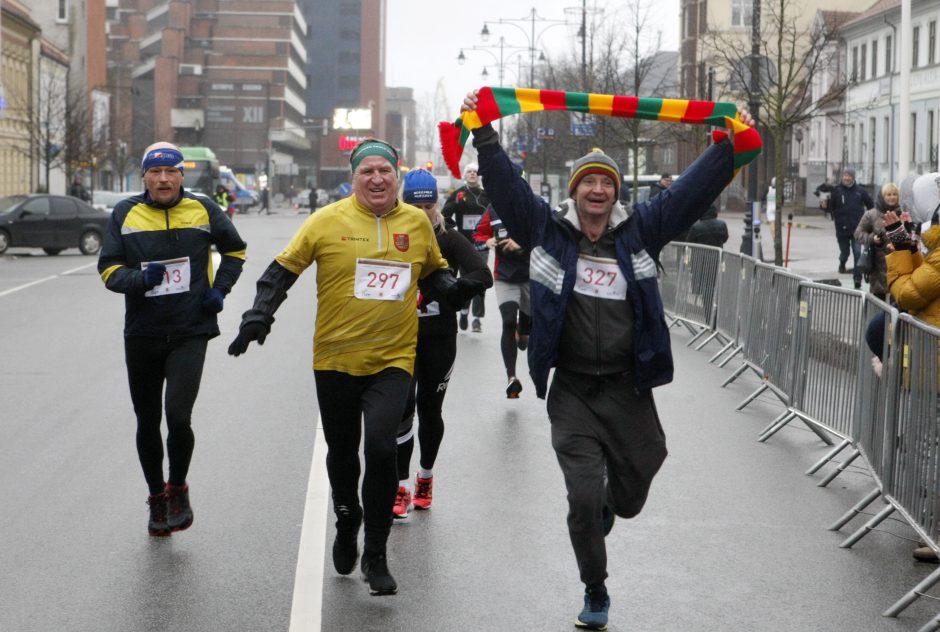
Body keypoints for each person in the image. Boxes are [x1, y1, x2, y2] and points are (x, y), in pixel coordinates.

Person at [460, 89, 754, 631]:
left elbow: (689, 194)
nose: (597, 188)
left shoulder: (639, 230)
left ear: (614, 193)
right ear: (576, 191)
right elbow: (506, 186)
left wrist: (727, 145)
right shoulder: (547, 231)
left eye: (606, 182)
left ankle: (608, 509)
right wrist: (483, 132)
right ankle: (595, 588)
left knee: (638, 482)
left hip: (627, 388)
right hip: (572, 391)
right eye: (588, 181)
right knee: (581, 496)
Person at [226, 138, 485, 596]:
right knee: (343, 456)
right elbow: (282, 270)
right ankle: (348, 521)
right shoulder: (326, 222)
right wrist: (258, 316)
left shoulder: (416, 225)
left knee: (383, 450)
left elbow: (434, 273)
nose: (377, 178)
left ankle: (377, 554)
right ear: (354, 177)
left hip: (393, 360)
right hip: (336, 360)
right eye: (368, 171)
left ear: (397, 177)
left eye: (385, 171)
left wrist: (459, 290)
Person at [97, 141, 247, 537]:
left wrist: (220, 291)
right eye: (155, 172)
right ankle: (156, 499)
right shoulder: (125, 213)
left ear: (182, 175)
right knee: (147, 420)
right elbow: (108, 269)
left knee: (178, 417)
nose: (163, 179)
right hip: (143, 333)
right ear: (144, 176)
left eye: (171, 172)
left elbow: (236, 252)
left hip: (189, 331)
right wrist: (137, 280)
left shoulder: (202, 210)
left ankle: (177, 486)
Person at [392, 169, 493, 519]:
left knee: (429, 410)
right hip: (400, 338)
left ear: (437, 204)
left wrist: (455, 292)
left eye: (429, 206)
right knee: (401, 411)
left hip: (438, 338)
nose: (423, 215)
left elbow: (483, 274)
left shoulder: (448, 239)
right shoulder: (392, 235)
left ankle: (425, 477)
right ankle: (400, 486)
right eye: (414, 207)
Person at [885, 195, 940, 563]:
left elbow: (908, 294)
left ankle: (934, 531)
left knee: (926, 443)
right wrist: (909, 248)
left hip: (932, 365)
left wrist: (900, 252)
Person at [474, 204, 531, 398]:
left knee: (525, 336)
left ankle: (522, 332)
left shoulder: (532, 205)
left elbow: (547, 236)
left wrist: (523, 244)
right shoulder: (493, 210)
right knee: (507, 322)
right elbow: (477, 237)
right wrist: (487, 241)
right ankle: (511, 378)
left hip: (531, 275)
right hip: (504, 276)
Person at [442, 162, 490, 332]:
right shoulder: (459, 193)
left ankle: (477, 319)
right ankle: (463, 312)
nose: (472, 174)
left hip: (482, 243)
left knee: (480, 281)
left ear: (479, 175)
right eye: (469, 171)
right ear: (465, 174)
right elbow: (444, 214)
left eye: (475, 172)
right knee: (466, 280)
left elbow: (497, 215)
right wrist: (450, 229)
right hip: (464, 244)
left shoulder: (486, 195)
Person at [830, 167, 874, 289]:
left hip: (857, 229)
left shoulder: (860, 191)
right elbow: (831, 206)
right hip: (842, 229)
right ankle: (842, 262)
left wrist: (870, 220)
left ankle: (857, 278)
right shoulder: (837, 191)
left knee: (857, 253)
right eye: (845, 175)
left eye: (849, 176)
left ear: (853, 178)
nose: (846, 178)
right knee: (845, 252)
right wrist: (835, 217)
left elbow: (871, 206)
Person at [854, 182, 899, 301]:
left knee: (897, 304)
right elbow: (858, 233)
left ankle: (893, 321)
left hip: (898, 266)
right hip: (878, 267)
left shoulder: (902, 213)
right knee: (879, 305)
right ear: (882, 197)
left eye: (894, 194)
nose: (892, 197)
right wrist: (871, 238)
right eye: (888, 194)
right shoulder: (871, 214)